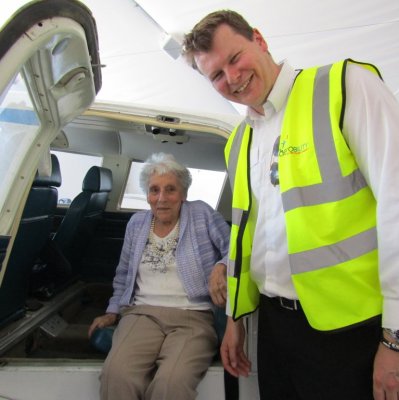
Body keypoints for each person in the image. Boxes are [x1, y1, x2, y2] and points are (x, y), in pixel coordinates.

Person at [182, 10, 399, 400]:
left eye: (234, 58)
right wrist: (235, 317)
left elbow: (396, 205)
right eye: (215, 75)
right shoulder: (240, 141)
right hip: (275, 327)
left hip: (352, 330)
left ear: (260, 40)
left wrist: (396, 338)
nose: (231, 78)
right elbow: (245, 237)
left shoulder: (344, 87)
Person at [88, 152, 230, 400]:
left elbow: (236, 249)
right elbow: (123, 274)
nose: (162, 199)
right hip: (141, 314)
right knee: (117, 375)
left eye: (170, 189)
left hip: (193, 317)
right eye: (154, 190)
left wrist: (222, 265)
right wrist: (112, 311)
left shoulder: (202, 214)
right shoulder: (136, 223)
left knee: (172, 382)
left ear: (183, 194)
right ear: (147, 194)